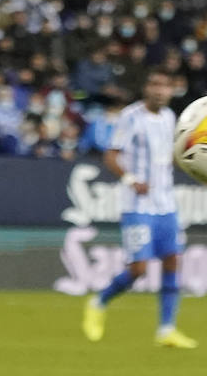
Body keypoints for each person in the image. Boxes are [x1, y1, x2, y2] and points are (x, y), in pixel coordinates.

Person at [81, 68, 196, 349]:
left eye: (165, 85)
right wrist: (131, 180)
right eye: (154, 83)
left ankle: (166, 329)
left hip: (166, 204)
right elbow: (111, 154)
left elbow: (170, 159)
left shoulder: (170, 118)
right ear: (146, 87)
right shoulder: (130, 117)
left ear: (172, 90)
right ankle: (98, 302)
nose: (159, 90)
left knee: (172, 261)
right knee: (139, 269)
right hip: (138, 206)